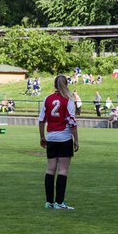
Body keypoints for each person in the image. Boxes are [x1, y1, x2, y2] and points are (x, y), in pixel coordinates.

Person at [38, 74, 79, 209]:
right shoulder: (68, 100)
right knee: (63, 170)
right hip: (64, 137)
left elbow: (41, 120)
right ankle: (59, 203)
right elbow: (72, 121)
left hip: (51, 137)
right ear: (66, 85)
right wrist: (76, 140)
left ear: (54, 85)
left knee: (50, 169)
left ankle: (49, 202)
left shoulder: (47, 99)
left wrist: (42, 137)